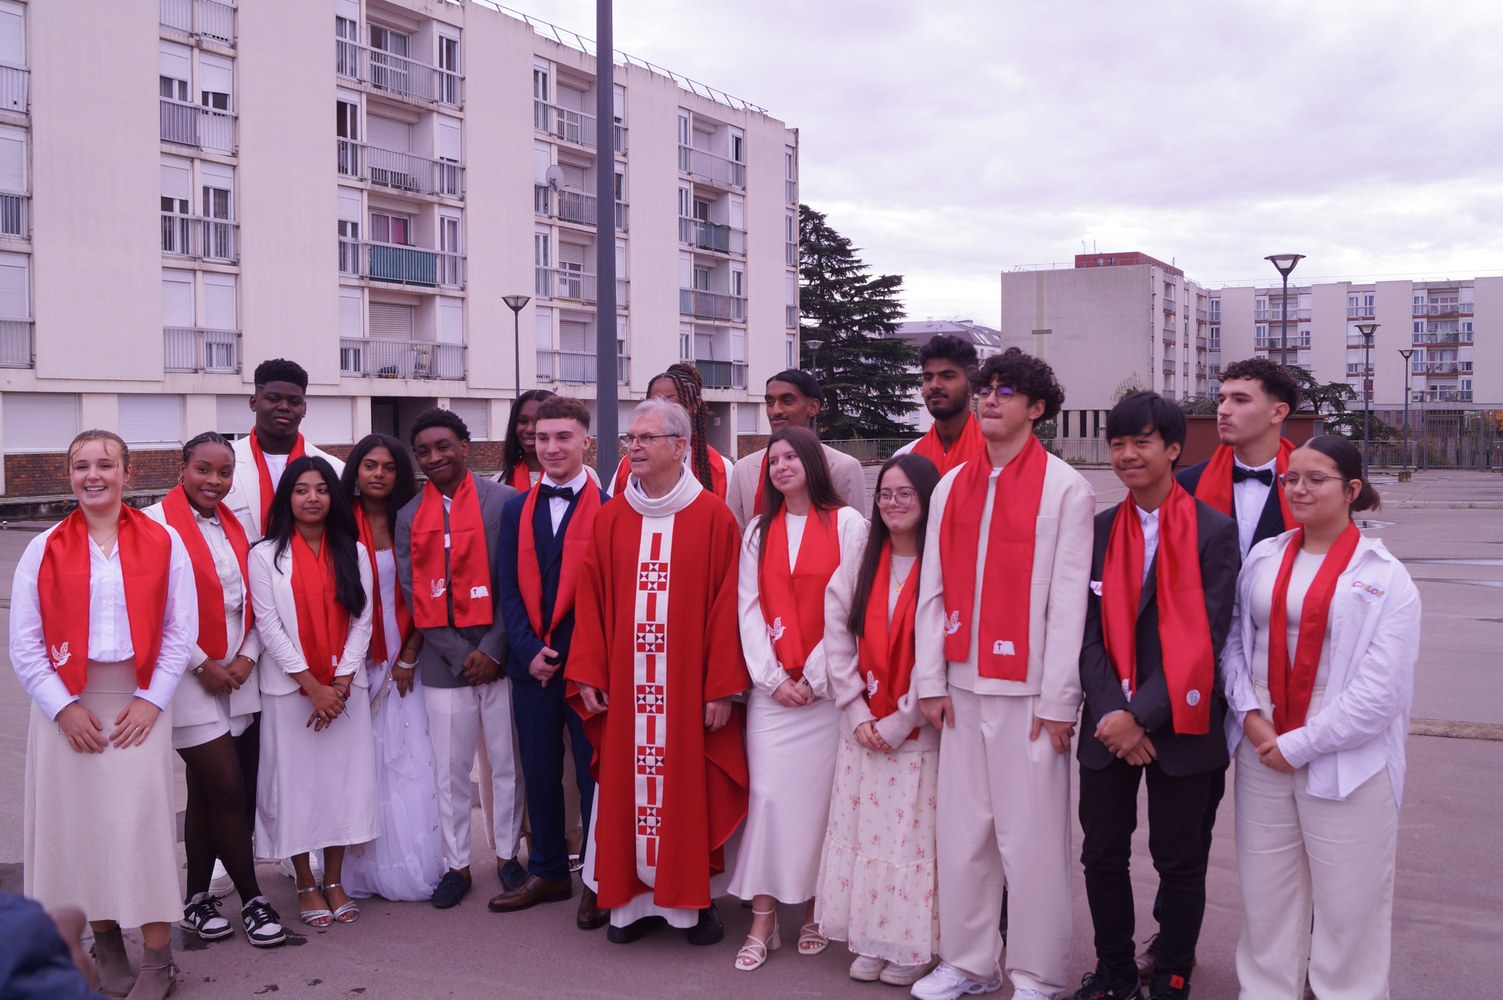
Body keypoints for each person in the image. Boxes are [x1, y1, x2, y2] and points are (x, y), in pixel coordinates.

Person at [911, 348, 1095, 1000]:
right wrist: (930, 681)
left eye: (1006, 391)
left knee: (1032, 842)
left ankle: (1036, 974)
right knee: (963, 836)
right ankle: (969, 963)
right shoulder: (951, 485)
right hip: (961, 687)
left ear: (1037, 407)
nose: (989, 399)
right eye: (985, 388)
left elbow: (1068, 604)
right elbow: (932, 589)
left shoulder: (1065, 489)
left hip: (1029, 695)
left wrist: (1059, 701)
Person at [1223, 435, 1419, 1000]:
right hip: (1263, 743)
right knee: (1266, 896)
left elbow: (1380, 693)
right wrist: (1251, 716)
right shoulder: (1265, 556)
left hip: (1346, 754)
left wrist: (1301, 744)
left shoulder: (1385, 577)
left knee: (1349, 904)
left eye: (1316, 479)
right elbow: (1234, 642)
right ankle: (1265, 991)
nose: (1299, 489)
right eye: (1291, 479)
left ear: (1352, 490)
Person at [9, 430, 197, 1000]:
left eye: (105, 464)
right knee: (81, 829)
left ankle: (159, 959)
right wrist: (63, 708)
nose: (93, 475)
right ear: (69, 475)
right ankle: (108, 945)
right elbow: (25, 644)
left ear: (126, 473)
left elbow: (179, 631)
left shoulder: (164, 540)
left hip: (137, 701)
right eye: (81, 466)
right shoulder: (43, 547)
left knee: (141, 828)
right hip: (66, 705)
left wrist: (152, 699)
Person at [1067, 393, 1239, 1000]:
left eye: (1141, 442)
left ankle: (1172, 973)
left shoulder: (1214, 531)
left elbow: (1208, 637)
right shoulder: (1097, 530)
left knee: (1179, 859)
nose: (1127, 454)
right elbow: (1085, 633)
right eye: (1117, 443)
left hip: (1182, 723)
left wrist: (1141, 716)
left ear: (1172, 449)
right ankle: (1114, 971)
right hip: (1108, 723)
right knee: (1102, 855)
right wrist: (1114, 713)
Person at [566, 398, 750, 947]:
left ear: (680, 446)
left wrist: (722, 688)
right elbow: (591, 600)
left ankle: (694, 905)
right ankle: (628, 908)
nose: (635, 447)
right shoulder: (612, 516)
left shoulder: (713, 516)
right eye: (631, 438)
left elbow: (728, 606)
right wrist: (589, 673)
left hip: (687, 689)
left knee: (690, 791)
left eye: (647, 438)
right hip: (628, 690)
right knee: (627, 791)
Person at [729, 426, 869, 971]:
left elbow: (852, 605)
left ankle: (815, 908)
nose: (781, 466)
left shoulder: (849, 524)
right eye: (773, 460)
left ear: (813, 463)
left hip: (827, 693)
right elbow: (748, 608)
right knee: (767, 798)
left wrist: (813, 676)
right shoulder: (757, 530)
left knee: (821, 805)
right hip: (773, 695)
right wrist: (772, 679)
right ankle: (763, 919)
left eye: (791, 457)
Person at [141, 433, 285, 948]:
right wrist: (202, 664)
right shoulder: (153, 524)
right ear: (182, 468)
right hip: (185, 676)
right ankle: (253, 899)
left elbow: (255, 600)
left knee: (206, 792)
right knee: (227, 786)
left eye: (224, 473)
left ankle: (195, 901)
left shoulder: (237, 525)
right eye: (203, 469)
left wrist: (247, 657)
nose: (214, 481)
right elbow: (153, 609)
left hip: (236, 672)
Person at [815, 453, 943, 987]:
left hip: (917, 733)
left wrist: (897, 722)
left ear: (927, 499)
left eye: (905, 493)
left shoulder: (941, 564)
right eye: (885, 493)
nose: (893, 503)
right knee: (866, 835)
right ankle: (870, 937)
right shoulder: (863, 558)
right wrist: (856, 708)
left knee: (909, 840)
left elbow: (936, 655)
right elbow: (836, 634)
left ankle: (912, 945)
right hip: (862, 729)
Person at [220, 357, 345, 896]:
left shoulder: (328, 466)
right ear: (254, 401)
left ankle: (308, 847)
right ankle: (232, 854)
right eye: (273, 398)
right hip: (237, 629)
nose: (283, 408)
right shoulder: (225, 463)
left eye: (294, 400)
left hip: (308, 627)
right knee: (239, 752)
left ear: (305, 407)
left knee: (304, 751)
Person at [396, 408, 525, 909]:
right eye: (423, 451)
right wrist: (460, 654)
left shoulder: (505, 501)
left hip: (501, 657)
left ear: (465, 447)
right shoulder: (409, 516)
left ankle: (508, 856)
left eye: (443, 446)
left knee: (506, 764)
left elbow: (517, 583)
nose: (433, 458)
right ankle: (457, 864)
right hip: (444, 664)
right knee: (449, 771)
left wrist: (491, 649)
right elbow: (414, 595)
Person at [492, 395, 610, 925]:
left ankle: (598, 878)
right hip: (531, 666)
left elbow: (610, 598)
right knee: (537, 772)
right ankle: (548, 872)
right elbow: (508, 588)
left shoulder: (611, 508)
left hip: (589, 670)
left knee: (592, 776)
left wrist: (582, 660)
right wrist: (526, 650)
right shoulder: (515, 508)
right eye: (542, 438)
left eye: (563, 437)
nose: (552, 447)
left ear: (586, 441)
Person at [248, 456, 376, 929]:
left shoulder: (353, 551)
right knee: (297, 788)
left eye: (321, 489)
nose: (312, 498)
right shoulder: (264, 555)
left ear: (333, 497)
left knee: (341, 785)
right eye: (301, 489)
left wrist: (338, 686)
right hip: (290, 695)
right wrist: (313, 687)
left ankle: (335, 879)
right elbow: (269, 628)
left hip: (345, 694)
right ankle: (305, 881)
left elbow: (363, 620)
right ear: (288, 497)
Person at [339, 434, 446, 902]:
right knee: (363, 763)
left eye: (388, 467)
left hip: (408, 658)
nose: (378, 474)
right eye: (369, 465)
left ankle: (414, 862)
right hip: (355, 659)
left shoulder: (415, 519)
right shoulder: (340, 522)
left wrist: (408, 655)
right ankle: (358, 866)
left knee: (410, 760)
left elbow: (430, 592)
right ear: (356, 471)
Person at [1177, 358, 1301, 559]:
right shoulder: (1188, 483)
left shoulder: (1310, 486)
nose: (1223, 410)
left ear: (1278, 412)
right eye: (1221, 400)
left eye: (1240, 400)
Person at [726, 369, 868, 530]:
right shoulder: (744, 469)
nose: (775, 411)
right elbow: (736, 536)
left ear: (813, 407)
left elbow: (854, 536)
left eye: (787, 401)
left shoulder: (843, 468)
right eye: (770, 403)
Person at [610, 363, 736, 497]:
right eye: (654, 401)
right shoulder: (628, 466)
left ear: (695, 404)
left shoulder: (719, 468)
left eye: (669, 401)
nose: (660, 408)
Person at [895, 333, 984, 475]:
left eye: (947, 376)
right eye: (927, 377)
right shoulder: (905, 458)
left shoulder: (996, 456)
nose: (934, 385)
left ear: (971, 384)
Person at [496, 389, 556, 492]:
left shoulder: (580, 477)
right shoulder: (500, 483)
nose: (529, 429)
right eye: (523, 421)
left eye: (537, 421)